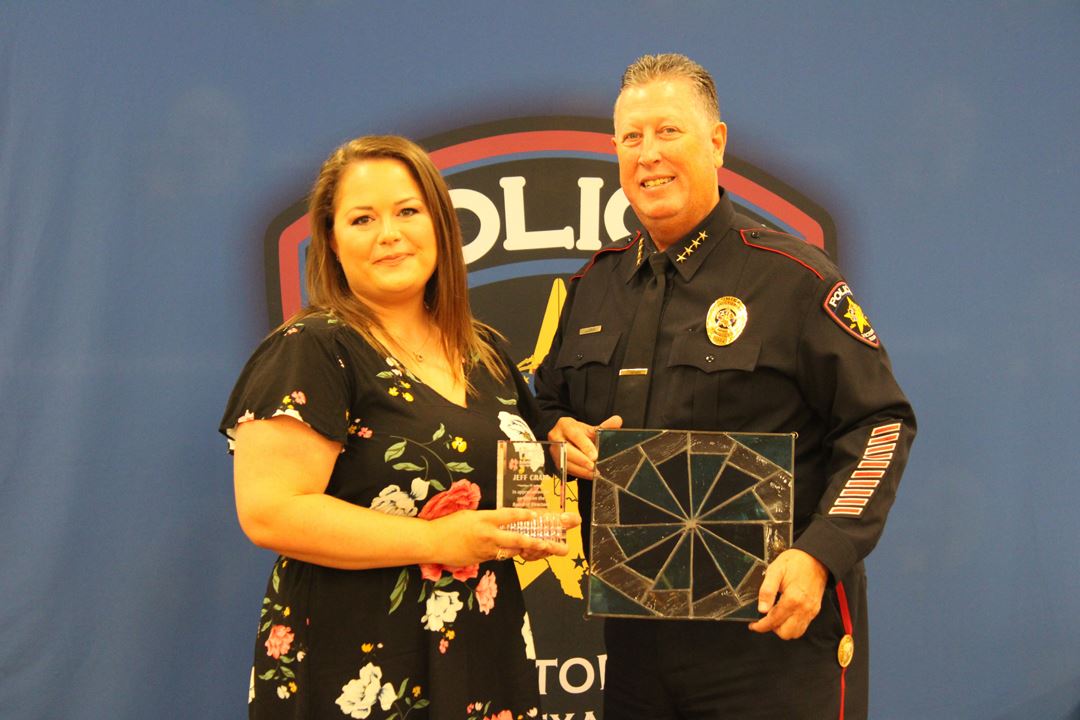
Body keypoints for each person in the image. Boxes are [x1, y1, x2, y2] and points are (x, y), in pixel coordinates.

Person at [534, 54, 916, 719]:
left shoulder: (793, 277)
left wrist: (821, 554)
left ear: (716, 142)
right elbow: (547, 408)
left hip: (774, 633)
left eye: (668, 132)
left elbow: (880, 425)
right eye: (631, 138)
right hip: (636, 643)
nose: (648, 155)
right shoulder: (591, 286)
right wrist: (557, 437)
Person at [220, 135, 578, 719]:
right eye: (363, 218)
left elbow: (516, 478)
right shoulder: (313, 348)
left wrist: (559, 453)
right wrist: (437, 541)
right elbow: (270, 511)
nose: (389, 233)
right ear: (332, 243)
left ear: (440, 224)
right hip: (359, 664)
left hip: (485, 652)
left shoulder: (483, 353)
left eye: (408, 211)